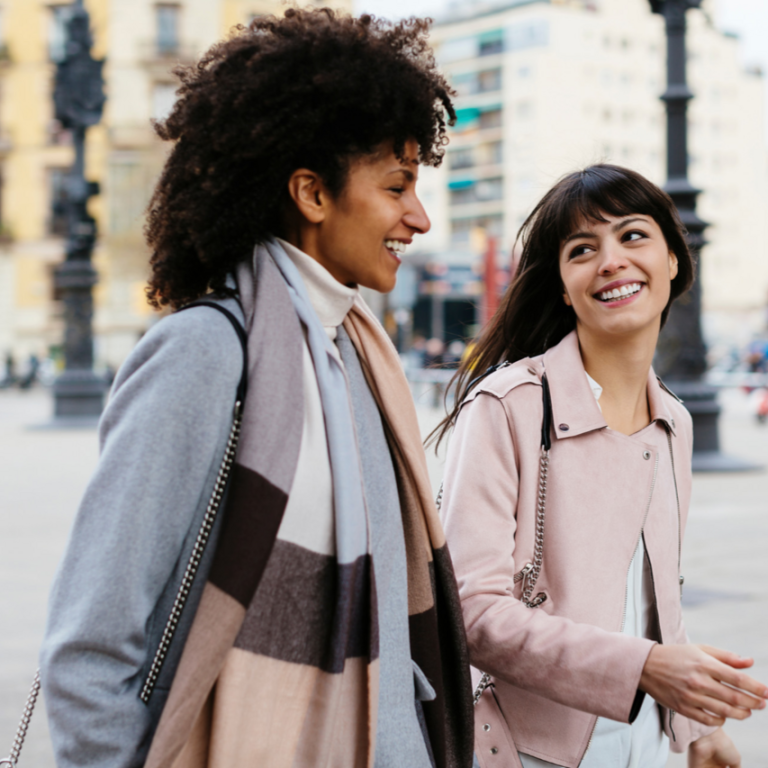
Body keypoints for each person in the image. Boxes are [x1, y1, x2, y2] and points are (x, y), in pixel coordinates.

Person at [40, 10, 473, 768]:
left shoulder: (360, 358)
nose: (420, 217)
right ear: (311, 193)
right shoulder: (206, 353)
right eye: (398, 185)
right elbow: (89, 647)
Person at [435, 165, 767, 768]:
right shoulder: (507, 405)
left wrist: (694, 726)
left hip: (647, 747)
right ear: (564, 286)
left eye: (633, 236)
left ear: (673, 260)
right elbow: (472, 613)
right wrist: (642, 667)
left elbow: (658, 600)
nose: (611, 260)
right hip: (526, 748)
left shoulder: (674, 421)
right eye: (582, 249)